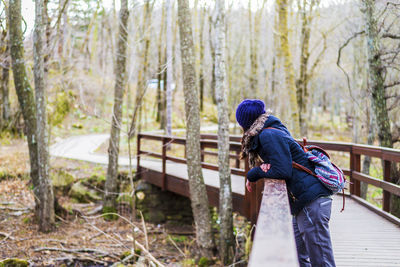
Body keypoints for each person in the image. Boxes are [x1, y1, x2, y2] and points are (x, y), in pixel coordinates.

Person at [236, 99, 336, 267]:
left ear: (246, 122)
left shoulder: (268, 135)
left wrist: (255, 173)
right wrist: (266, 167)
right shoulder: (271, 131)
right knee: (298, 257)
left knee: (322, 261)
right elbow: (281, 163)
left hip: (312, 201)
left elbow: (282, 170)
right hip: (303, 203)